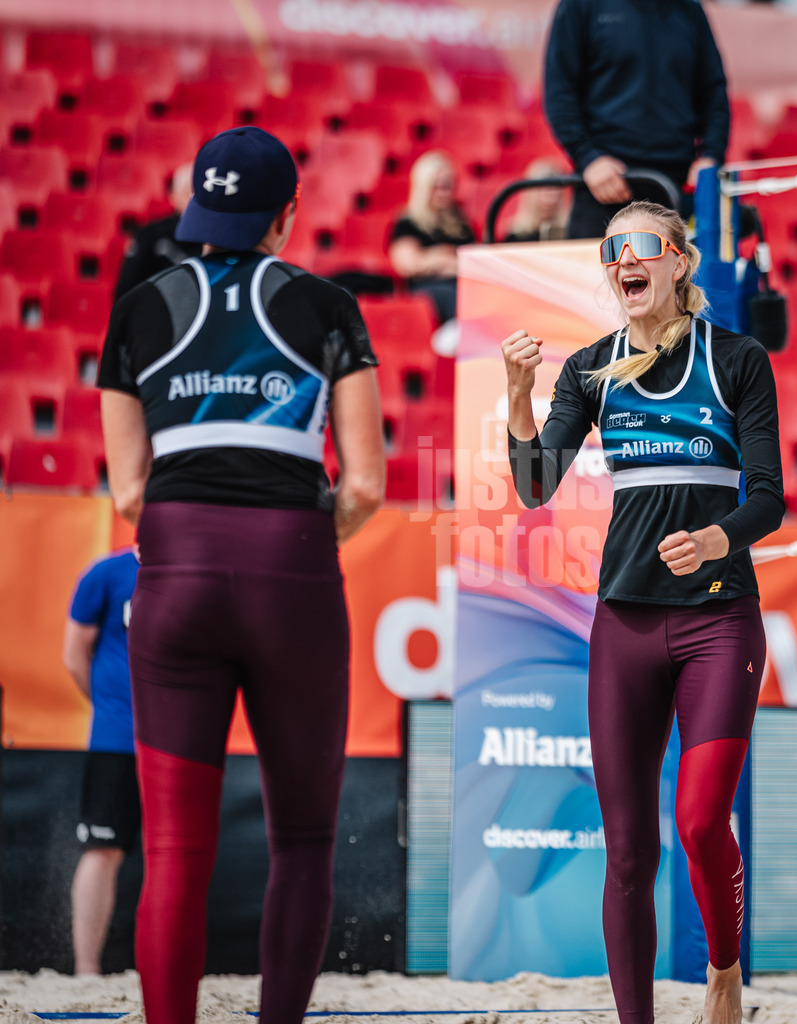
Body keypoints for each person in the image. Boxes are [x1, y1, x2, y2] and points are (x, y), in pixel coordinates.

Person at [98, 125, 386, 1024]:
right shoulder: (328, 304)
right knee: (302, 840)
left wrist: (194, 538)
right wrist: (297, 541)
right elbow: (370, 482)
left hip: (174, 563)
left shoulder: (140, 306)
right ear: (287, 218)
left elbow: (128, 488)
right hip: (290, 562)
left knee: (175, 848)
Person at [501, 200, 784, 1024]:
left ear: (679, 262)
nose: (625, 260)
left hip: (717, 620)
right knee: (626, 851)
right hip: (623, 625)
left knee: (699, 822)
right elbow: (533, 485)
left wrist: (716, 540)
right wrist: (518, 395)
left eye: (643, 246)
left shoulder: (736, 359)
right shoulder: (590, 367)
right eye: (612, 248)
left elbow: (767, 501)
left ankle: (724, 974)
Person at [543, 0, 731, 239]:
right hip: (603, 187)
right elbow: (559, 92)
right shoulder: (580, 6)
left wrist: (710, 157)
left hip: (677, 189)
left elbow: (714, 93)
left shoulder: (690, 9)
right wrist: (588, 159)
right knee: (594, 276)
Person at [63, 545, 141, 976]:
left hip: (180, 741)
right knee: (102, 849)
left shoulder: (196, 566)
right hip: (117, 740)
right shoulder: (109, 573)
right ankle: (87, 971)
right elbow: (74, 655)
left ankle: (168, 968)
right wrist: (112, 708)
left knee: (181, 855)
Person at [387, 150, 476, 323]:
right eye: (437, 187)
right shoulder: (408, 222)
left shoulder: (461, 223)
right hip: (429, 292)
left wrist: (433, 259)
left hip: (461, 285)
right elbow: (408, 265)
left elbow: (473, 262)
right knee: (454, 297)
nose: (444, 193)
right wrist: (444, 256)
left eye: (447, 186)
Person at [113, 162, 202, 299]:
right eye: (187, 192)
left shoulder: (216, 237)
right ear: (173, 196)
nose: (192, 199)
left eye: (199, 193)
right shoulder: (150, 235)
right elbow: (126, 290)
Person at [501, 157, 571, 244]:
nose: (550, 198)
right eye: (543, 190)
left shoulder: (571, 232)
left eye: (554, 190)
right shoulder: (516, 235)